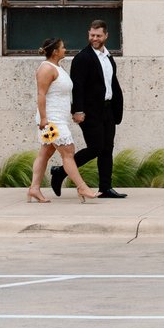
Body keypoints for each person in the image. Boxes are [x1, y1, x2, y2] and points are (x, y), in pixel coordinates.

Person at [57, 17, 127, 199]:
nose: (94, 38)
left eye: (98, 35)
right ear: (88, 34)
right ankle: (60, 171)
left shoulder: (108, 57)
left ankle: (105, 188)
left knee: (107, 149)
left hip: (108, 109)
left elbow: (111, 83)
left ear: (106, 36)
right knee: (96, 147)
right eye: (92, 35)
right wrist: (78, 110)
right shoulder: (82, 58)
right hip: (89, 112)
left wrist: (116, 107)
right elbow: (77, 86)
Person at [31, 35, 94, 204]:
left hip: (59, 118)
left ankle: (34, 188)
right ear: (55, 51)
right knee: (68, 151)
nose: (65, 49)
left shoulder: (57, 67)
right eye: (62, 47)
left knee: (45, 152)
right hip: (52, 120)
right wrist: (44, 118)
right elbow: (41, 94)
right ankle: (82, 187)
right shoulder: (46, 68)